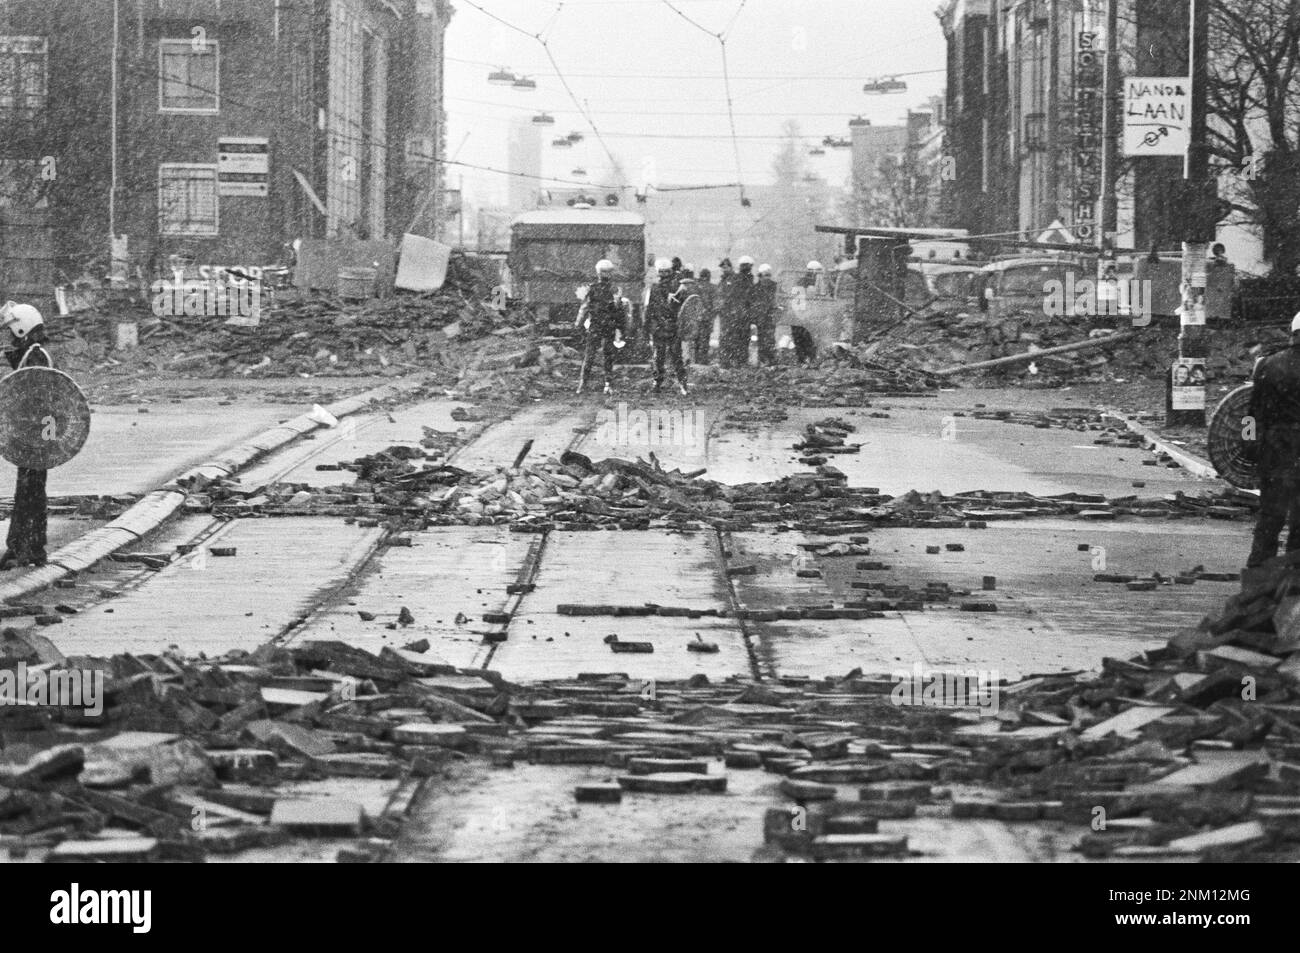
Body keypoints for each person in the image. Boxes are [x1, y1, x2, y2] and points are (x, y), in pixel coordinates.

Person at [0, 302, 52, 569]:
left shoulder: (35, 355)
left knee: (30, 492)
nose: (10, 337)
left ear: (23, 328)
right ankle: (20, 547)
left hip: (35, 436)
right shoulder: (33, 353)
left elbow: (31, 393)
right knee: (27, 491)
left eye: (12, 332)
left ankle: (30, 549)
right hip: (34, 435)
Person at [1246, 312, 1300, 568]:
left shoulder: (1267, 365)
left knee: (1270, 518)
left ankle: (1258, 581)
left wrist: (1249, 446)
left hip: (1275, 451)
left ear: (1292, 334)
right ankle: (1293, 583)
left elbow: (1252, 413)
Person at [574, 260, 627, 395]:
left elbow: (584, 308)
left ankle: (583, 384)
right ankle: (607, 384)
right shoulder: (615, 289)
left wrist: (578, 323)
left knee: (590, 355)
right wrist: (622, 328)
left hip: (597, 326)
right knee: (606, 356)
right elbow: (620, 311)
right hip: (607, 326)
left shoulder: (592, 288)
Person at [644, 258, 688, 395]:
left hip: (670, 325)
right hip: (662, 326)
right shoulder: (656, 288)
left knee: (670, 356)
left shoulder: (678, 287)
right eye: (661, 272)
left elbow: (686, 307)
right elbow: (648, 309)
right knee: (664, 357)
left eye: (665, 272)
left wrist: (647, 327)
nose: (663, 275)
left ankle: (679, 383)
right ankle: (666, 383)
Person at [754, 263, 780, 365]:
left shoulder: (775, 286)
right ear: (760, 276)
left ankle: (770, 359)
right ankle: (762, 360)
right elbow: (752, 302)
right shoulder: (755, 288)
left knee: (770, 338)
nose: (767, 278)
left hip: (770, 316)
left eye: (769, 275)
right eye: (765, 275)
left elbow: (781, 300)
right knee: (760, 339)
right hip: (760, 317)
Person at [693, 267, 715, 364]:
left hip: (697, 317)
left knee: (696, 340)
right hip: (707, 318)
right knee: (705, 340)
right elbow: (714, 304)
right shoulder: (712, 287)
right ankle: (703, 359)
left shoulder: (696, 286)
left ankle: (697, 359)